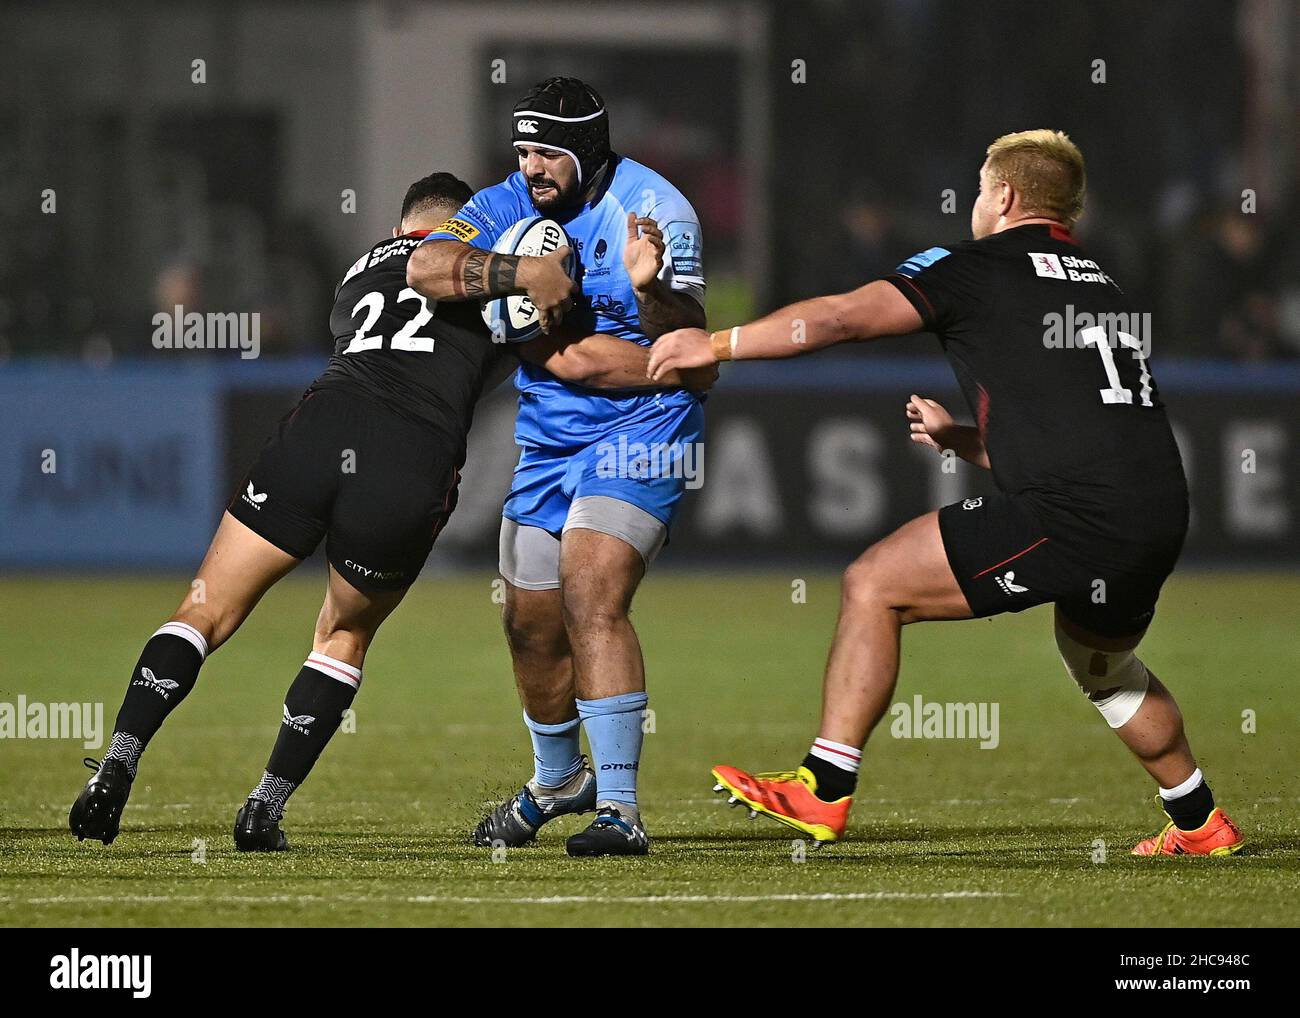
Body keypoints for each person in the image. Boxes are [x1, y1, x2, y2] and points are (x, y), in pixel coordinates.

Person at [647, 130, 1243, 857]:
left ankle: (824, 788)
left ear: (1004, 197)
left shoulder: (976, 267)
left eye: (979, 190)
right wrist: (964, 440)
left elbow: (839, 317)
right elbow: (1077, 433)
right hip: (1157, 509)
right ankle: (1200, 821)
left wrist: (715, 345)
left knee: (875, 584)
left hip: (1082, 513)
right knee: (1105, 667)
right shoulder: (1100, 281)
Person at [69, 171, 707, 851]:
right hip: (412, 454)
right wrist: (680, 357)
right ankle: (262, 810)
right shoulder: (489, 263)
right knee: (341, 637)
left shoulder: (355, 274)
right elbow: (569, 359)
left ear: (402, 225)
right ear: (466, 225)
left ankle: (116, 765)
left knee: (203, 609)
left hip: (322, 421)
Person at [407, 77, 708, 856]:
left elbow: (688, 357)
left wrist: (652, 293)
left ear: (588, 150)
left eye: (548, 151)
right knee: (528, 622)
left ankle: (620, 811)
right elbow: (425, 266)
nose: (532, 165)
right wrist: (519, 276)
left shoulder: (656, 211)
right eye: (524, 149)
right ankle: (556, 780)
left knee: (590, 590)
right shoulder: (510, 202)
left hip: (646, 428)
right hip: (550, 441)